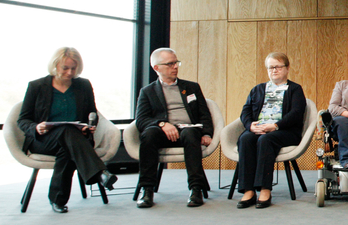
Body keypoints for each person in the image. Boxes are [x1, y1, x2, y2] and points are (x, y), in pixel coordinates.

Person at [17, 47, 116, 213]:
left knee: (67, 146)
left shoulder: (83, 85)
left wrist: (88, 127)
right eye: (65, 68)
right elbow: (22, 120)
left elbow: (92, 113)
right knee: (66, 132)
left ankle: (58, 201)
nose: (70, 72)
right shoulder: (37, 86)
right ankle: (100, 172)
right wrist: (36, 127)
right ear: (55, 65)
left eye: (73, 68)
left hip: (74, 139)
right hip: (43, 140)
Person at [134, 48, 214, 208]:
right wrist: (162, 124)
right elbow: (141, 120)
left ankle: (196, 189)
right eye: (170, 64)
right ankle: (147, 189)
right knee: (149, 135)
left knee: (191, 133)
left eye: (176, 62)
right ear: (156, 68)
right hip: (162, 133)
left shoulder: (191, 87)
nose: (175, 67)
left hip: (188, 130)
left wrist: (206, 133)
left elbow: (204, 114)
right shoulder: (147, 92)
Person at [235, 52, 307, 209]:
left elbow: (296, 113)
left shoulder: (295, 89)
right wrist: (250, 126)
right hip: (259, 128)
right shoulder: (258, 89)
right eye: (271, 67)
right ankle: (248, 191)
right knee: (245, 139)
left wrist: (275, 126)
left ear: (287, 68)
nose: (274, 70)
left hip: (284, 130)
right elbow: (245, 111)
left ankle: (264, 189)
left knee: (266, 140)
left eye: (278, 67)